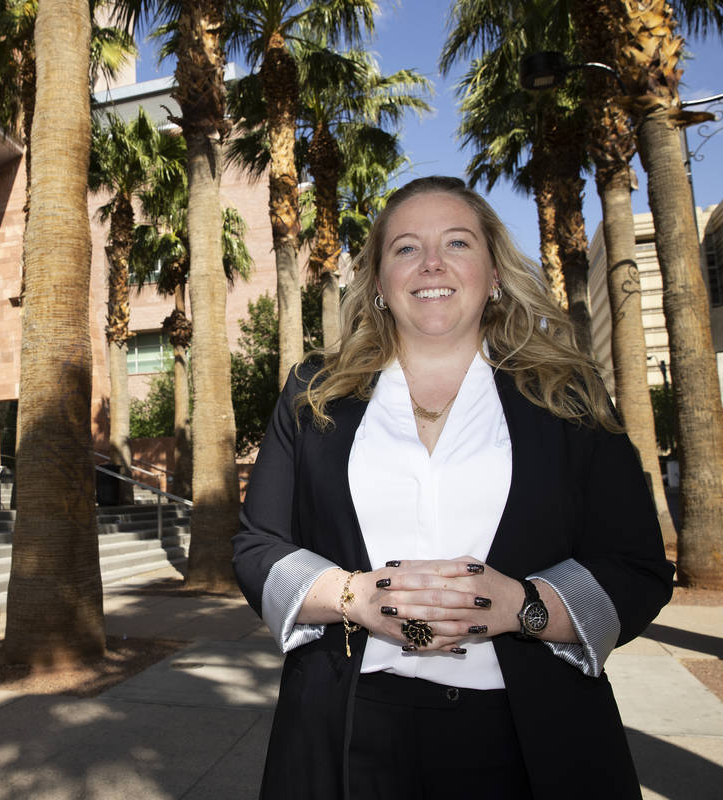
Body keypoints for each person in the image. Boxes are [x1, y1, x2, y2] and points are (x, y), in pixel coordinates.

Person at [232, 176, 674, 800]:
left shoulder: (567, 395)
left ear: (494, 273)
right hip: (346, 728)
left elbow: (637, 566)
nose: (432, 263)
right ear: (380, 282)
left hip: (533, 739)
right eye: (406, 248)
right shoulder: (313, 393)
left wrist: (524, 606)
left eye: (458, 243)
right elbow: (259, 546)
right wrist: (353, 598)